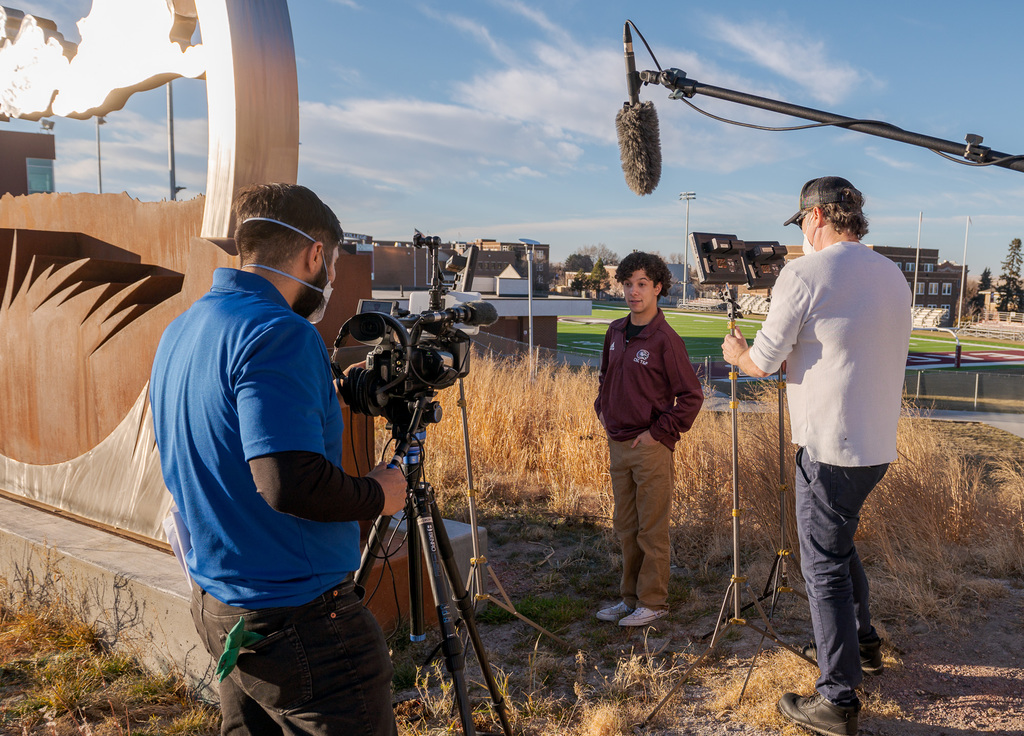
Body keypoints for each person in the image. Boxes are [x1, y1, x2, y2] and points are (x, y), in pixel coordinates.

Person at [150, 183, 406, 736]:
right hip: (299, 619)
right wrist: (378, 494)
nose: (330, 279)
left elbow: (220, 438)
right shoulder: (280, 332)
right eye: (331, 264)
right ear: (316, 252)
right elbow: (287, 483)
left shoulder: (183, 328)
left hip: (221, 605)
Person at [722, 177, 911, 736]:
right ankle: (865, 646)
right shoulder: (889, 272)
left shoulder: (804, 273)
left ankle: (837, 697)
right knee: (840, 544)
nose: (803, 232)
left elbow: (763, 359)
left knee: (823, 564)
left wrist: (736, 353)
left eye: (804, 221)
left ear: (820, 216)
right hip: (874, 444)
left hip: (829, 446)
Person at [593, 251, 704, 627]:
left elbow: (691, 397)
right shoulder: (615, 330)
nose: (633, 292)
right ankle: (630, 599)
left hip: (649, 448)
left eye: (642, 284)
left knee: (651, 528)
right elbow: (605, 377)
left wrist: (657, 435)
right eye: (628, 284)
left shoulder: (665, 340)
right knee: (625, 526)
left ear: (658, 287)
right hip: (617, 443)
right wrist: (602, 409)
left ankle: (653, 601)